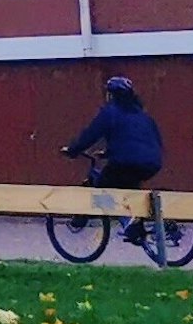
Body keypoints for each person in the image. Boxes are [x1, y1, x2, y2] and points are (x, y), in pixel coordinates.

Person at [62, 74, 169, 245]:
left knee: (103, 189)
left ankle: (130, 223)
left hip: (127, 161)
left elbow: (90, 134)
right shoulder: (142, 114)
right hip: (152, 162)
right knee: (128, 189)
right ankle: (137, 226)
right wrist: (109, 153)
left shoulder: (110, 112)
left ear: (111, 94)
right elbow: (135, 141)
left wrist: (73, 150)